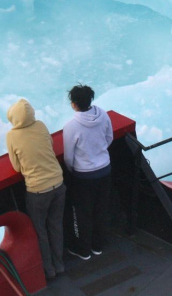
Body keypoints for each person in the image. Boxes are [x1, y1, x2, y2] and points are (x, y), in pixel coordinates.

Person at [6, 99, 67, 279]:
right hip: (58, 183)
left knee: (40, 231)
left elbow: (17, 167)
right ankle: (60, 265)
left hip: (38, 190)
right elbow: (50, 145)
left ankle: (49, 271)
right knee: (56, 226)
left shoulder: (11, 136)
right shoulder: (40, 125)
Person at [62, 84, 113, 260]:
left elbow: (68, 157)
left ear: (74, 104)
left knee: (82, 213)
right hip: (105, 169)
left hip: (83, 176)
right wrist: (98, 155)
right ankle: (98, 246)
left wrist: (76, 169)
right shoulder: (104, 115)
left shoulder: (71, 126)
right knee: (101, 208)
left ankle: (84, 250)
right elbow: (109, 138)